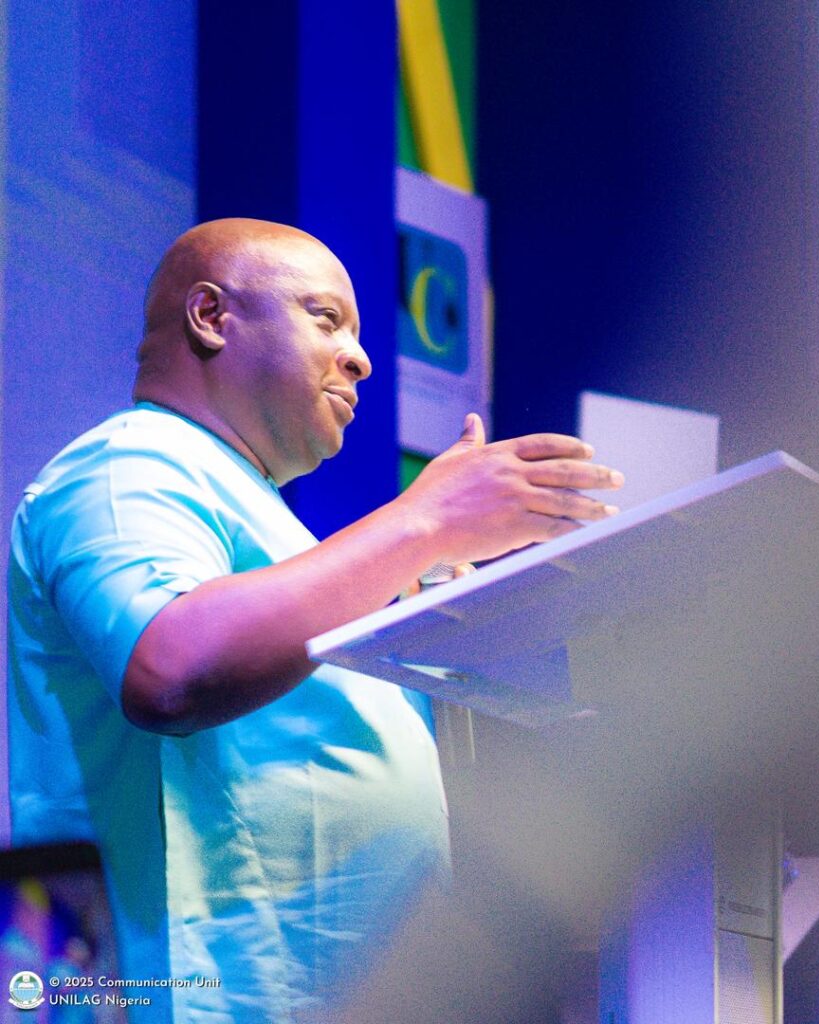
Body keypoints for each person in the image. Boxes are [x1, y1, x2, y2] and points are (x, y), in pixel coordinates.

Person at [7, 218, 623, 1022]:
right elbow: (169, 668)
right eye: (326, 318)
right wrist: (423, 522)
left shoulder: (269, 529)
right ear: (211, 316)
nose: (360, 358)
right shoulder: (126, 465)